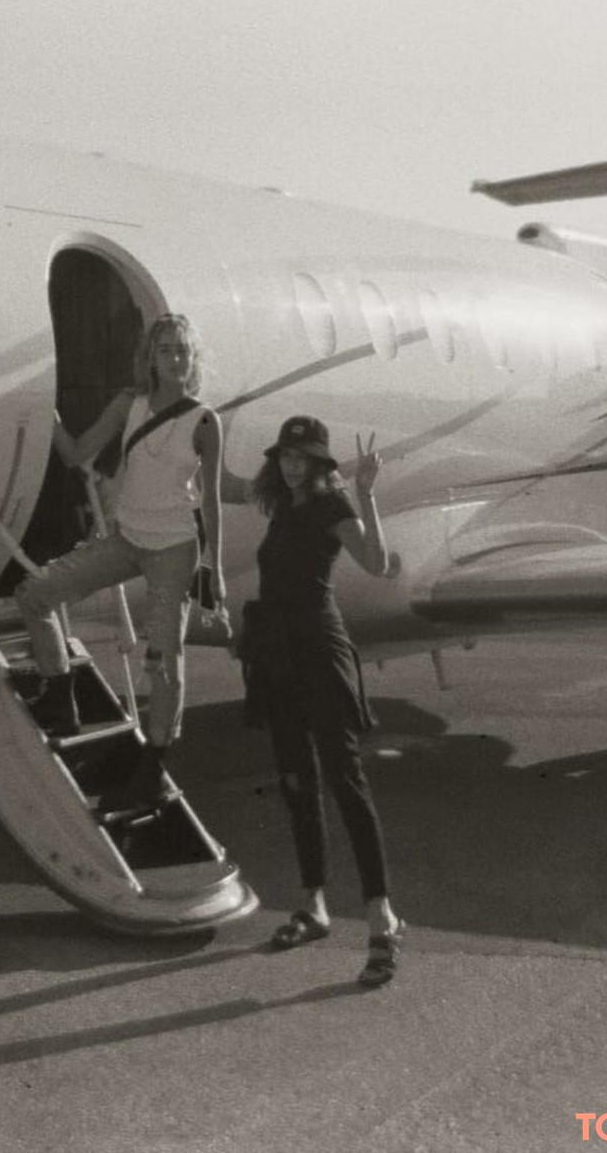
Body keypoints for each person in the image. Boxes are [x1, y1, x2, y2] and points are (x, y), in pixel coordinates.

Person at [15, 313, 225, 794]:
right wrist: (44, 408)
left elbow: (210, 501)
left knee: (163, 659)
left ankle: (153, 763)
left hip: (174, 550)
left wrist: (214, 568)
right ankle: (60, 698)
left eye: (183, 350)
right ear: (150, 358)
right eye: (166, 350)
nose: (175, 359)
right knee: (36, 594)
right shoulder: (129, 405)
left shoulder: (203, 420)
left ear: (193, 359)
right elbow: (76, 453)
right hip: (127, 540)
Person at [239, 415, 405, 988]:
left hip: (319, 649)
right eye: (285, 456)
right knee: (296, 781)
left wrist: (367, 494)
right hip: (278, 656)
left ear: (319, 463)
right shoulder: (283, 507)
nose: (291, 465)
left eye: (301, 457)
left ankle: (382, 920)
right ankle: (314, 906)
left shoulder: (333, 506)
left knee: (345, 781)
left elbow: (377, 564)